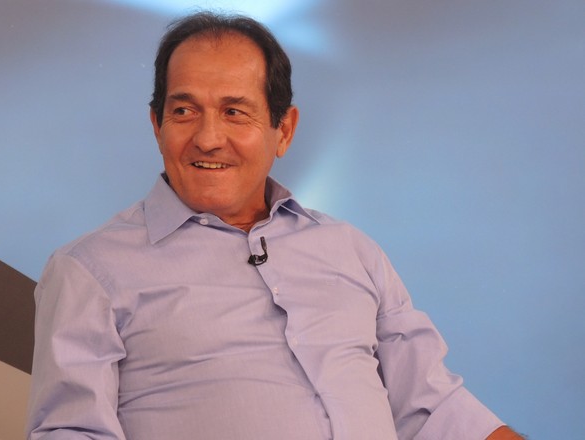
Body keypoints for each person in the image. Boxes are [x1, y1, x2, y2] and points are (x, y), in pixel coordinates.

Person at [26, 11, 523, 440]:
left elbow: (434, 410)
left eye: (234, 112)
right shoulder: (89, 271)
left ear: (283, 130)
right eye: (184, 111)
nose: (208, 138)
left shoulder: (353, 251)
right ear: (157, 126)